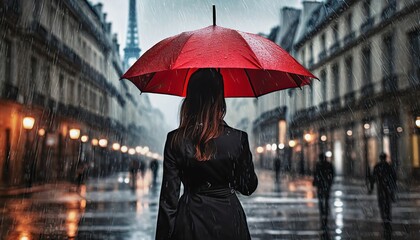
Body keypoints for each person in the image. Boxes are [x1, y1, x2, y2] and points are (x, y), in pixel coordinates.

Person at [156, 68, 258, 240]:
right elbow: (248, 187)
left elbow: (169, 200)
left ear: (190, 99)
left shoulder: (175, 140)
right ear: (220, 100)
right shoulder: (238, 138)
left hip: (190, 220)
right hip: (229, 219)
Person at [369, 152, 397, 240]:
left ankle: (384, 219)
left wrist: (371, 187)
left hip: (381, 188)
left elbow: (373, 178)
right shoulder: (388, 166)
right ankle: (387, 219)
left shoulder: (377, 166)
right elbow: (394, 178)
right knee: (387, 205)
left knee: (382, 204)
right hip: (387, 188)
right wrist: (393, 189)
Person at [313, 153, 335, 233]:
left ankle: (323, 213)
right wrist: (329, 182)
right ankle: (324, 213)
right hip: (325, 185)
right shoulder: (328, 165)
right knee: (325, 199)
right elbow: (332, 174)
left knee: (322, 200)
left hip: (321, 186)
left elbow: (315, 174)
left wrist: (316, 181)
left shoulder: (318, 165)